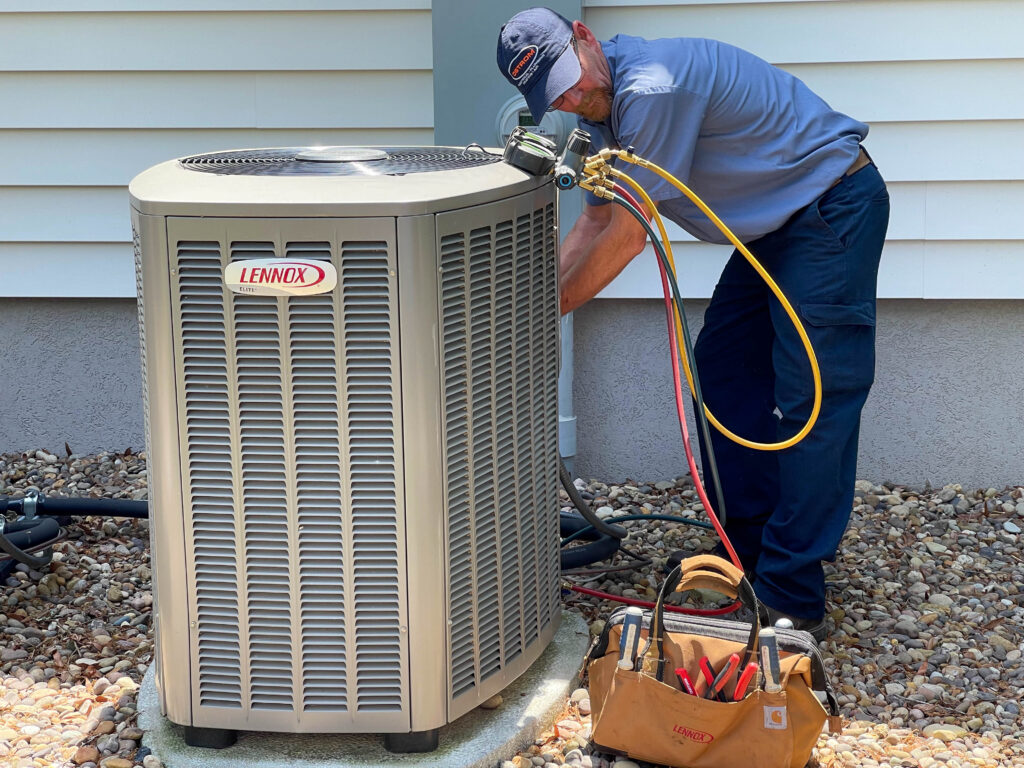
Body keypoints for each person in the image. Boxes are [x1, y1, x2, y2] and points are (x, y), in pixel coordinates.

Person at [497, 8, 890, 641]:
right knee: (726, 377)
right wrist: (530, 309)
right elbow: (594, 221)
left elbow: (629, 231)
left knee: (813, 399)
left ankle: (792, 593)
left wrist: (540, 319)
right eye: (556, 94)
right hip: (772, 231)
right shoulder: (600, 118)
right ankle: (750, 557)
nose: (573, 97)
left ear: (585, 38)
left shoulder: (651, 88)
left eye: (571, 77)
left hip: (829, 206)